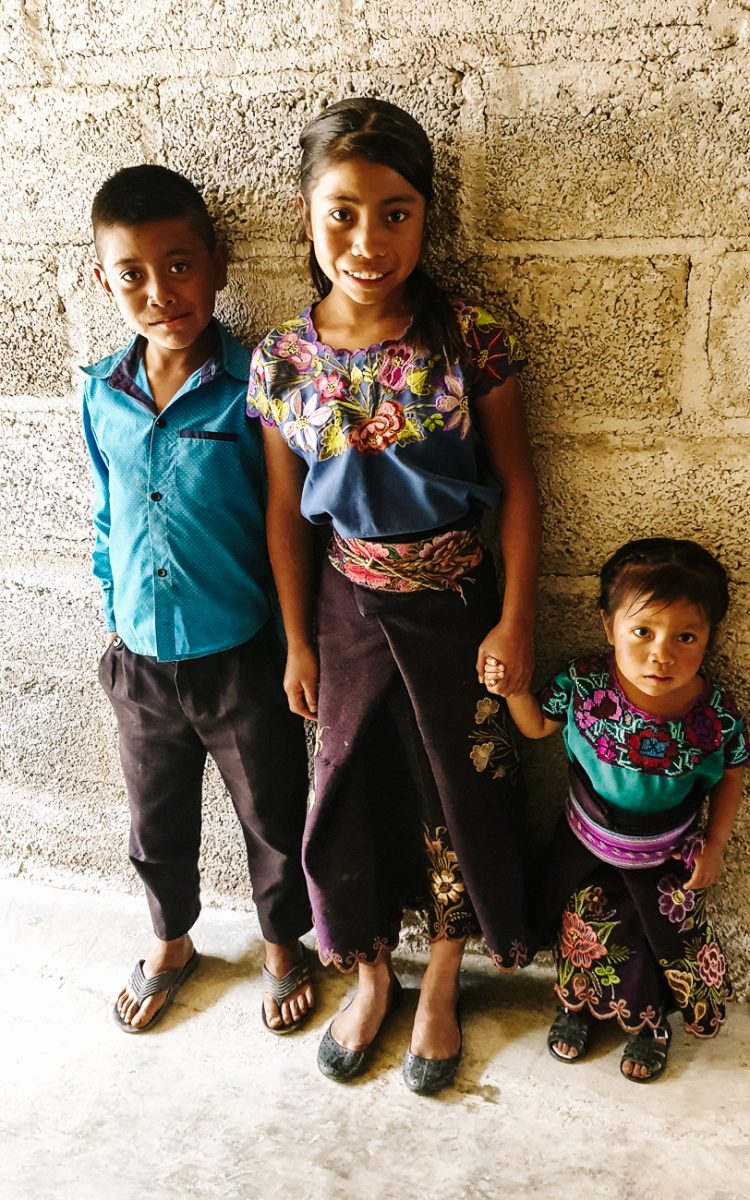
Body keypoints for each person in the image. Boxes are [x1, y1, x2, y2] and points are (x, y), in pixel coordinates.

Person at [246, 98, 540, 1094]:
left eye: (395, 212)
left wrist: (515, 619)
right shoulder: (284, 360)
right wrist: (296, 639)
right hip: (343, 604)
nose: (368, 241)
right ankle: (369, 971)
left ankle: (446, 976)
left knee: (459, 793)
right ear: (305, 214)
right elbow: (285, 515)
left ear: (425, 216)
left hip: (458, 605)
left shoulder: (473, 341)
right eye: (342, 212)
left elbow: (520, 487)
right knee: (345, 796)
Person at [82, 164, 314, 1034]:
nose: (159, 291)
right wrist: (115, 606)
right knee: (154, 816)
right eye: (132, 273)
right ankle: (172, 939)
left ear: (218, 264)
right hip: (140, 658)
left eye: (178, 265)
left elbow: (288, 523)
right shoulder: (100, 390)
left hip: (241, 653)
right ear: (105, 280)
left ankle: (283, 940)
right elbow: (108, 510)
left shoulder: (257, 384)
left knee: (271, 810)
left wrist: (297, 643)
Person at [494, 537, 748, 1081]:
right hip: (584, 846)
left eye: (686, 636)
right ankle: (576, 1007)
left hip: (665, 857)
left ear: (709, 638)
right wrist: (514, 688)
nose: (662, 653)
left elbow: (732, 771)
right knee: (581, 925)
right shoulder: (586, 686)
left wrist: (718, 843)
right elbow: (537, 724)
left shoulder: (715, 717)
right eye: (642, 632)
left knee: (649, 943)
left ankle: (648, 1022)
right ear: (608, 627)